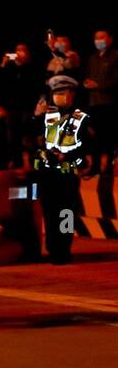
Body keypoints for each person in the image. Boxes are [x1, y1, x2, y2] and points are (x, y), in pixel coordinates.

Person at [32, 75, 89, 265]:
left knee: (66, 213)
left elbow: (87, 144)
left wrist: (70, 157)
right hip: (47, 173)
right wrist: (36, 116)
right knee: (50, 212)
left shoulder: (81, 117)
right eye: (56, 93)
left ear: (72, 95)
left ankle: (64, 249)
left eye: (64, 93)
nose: (60, 97)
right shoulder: (47, 115)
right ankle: (52, 248)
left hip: (67, 173)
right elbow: (29, 137)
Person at [83, 29, 117, 172]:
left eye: (102, 37)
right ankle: (95, 166)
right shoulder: (93, 58)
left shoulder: (115, 56)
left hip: (109, 102)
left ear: (110, 39)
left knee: (109, 136)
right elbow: (88, 76)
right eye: (96, 38)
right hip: (94, 102)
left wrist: (99, 85)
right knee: (95, 136)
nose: (98, 40)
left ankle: (109, 166)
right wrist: (86, 83)